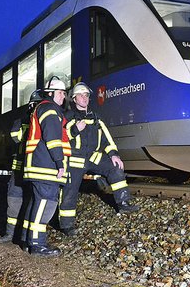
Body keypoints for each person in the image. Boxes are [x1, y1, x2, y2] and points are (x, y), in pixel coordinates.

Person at [59, 82, 139, 236]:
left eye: (87, 95)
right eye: (81, 95)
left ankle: (123, 202)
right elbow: (60, 138)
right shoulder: (67, 117)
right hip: (74, 159)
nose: (84, 98)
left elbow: (107, 139)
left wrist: (114, 154)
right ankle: (66, 225)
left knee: (115, 167)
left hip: (93, 157)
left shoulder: (96, 118)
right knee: (70, 191)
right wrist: (75, 129)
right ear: (74, 99)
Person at [22, 78, 71, 257]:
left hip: (41, 164)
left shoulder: (46, 108)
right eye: (61, 93)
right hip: (45, 166)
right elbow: (52, 139)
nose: (63, 97)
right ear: (51, 93)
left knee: (39, 203)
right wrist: (60, 163)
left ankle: (29, 240)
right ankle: (37, 244)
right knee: (45, 203)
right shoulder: (50, 109)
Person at [0, 90, 42, 244]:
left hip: (35, 168)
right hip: (19, 168)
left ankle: (24, 237)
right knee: (14, 201)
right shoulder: (22, 119)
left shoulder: (45, 119)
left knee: (32, 202)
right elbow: (15, 137)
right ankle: (10, 234)